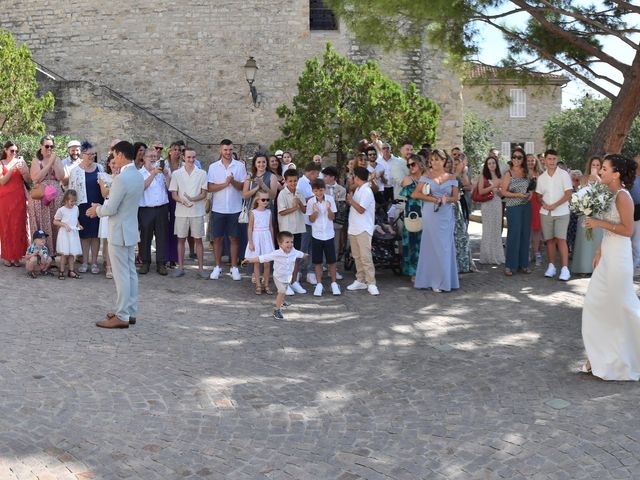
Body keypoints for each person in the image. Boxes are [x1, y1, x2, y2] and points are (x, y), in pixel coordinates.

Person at [581, 154, 640, 380]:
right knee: (597, 304)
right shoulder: (608, 193)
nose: (601, 171)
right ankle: (599, 356)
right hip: (608, 256)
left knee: (623, 307)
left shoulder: (623, 196)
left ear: (616, 174)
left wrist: (598, 222)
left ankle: (617, 358)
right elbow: (610, 230)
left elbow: (627, 231)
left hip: (619, 259)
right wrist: (598, 250)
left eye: (604, 168)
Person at [87, 141, 144, 329]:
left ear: (120, 154)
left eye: (114, 154)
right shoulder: (137, 175)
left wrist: (97, 210)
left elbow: (111, 208)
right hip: (129, 229)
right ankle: (130, 311)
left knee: (121, 275)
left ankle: (122, 315)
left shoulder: (122, 178)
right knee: (130, 272)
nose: (113, 158)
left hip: (119, 230)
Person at [412, 149, 459, 292]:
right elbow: (415, 194)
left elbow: (455, 198)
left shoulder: (451, 177)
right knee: (431, 245)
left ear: (444, 161)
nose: (434, 162)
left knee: (444, 246)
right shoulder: (426, 175)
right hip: (430, 213)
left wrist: (446, 199)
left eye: (437, 159)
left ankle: (445, 280)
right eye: (432, 160)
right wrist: (434, 199)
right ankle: (432, 280)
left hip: (446, 214)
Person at [243, 231, 306, 320]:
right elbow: (263, 258)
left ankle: (282, 302)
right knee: (282, 291)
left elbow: (301, 254)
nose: (290, 244)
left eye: (291, 242)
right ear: (280, 244)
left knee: (284, 289)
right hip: (278, 277)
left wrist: (305, 255)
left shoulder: (294, 252)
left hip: (287, 277)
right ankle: (277, 310)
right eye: (287, 242)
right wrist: (250, 260)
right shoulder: (276, 253)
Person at [207, 139, 247, 281]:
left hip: (235, 209)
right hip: (218, 208)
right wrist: (225, 184)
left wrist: (233, 181)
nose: (228, 152)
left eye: (230, 149)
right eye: (225, 150)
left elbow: (243, 187)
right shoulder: (213, 167)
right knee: (217, 238)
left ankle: (234, 267)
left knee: (234, 238)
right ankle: (217, 267)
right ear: (220, 150)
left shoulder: (240, 166)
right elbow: (210, 187)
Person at [168, 148, 209, 278]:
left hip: (197, 212)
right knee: (181, 240)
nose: (191, 160)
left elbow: (204, 194)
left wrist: (192, 199)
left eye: (193, 157)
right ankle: (180, 267)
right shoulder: (176, 174)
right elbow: (174, 194)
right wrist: (183, 201)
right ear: (183, 158)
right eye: (189, 157)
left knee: (198, 240)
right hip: (181, 212)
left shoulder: (202, 173)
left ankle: (201, 269)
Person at [66, 141, 104, 274]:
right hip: (82, 207)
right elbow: (71, 190)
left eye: (93, 154)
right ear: (82, 154)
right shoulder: (75, 171)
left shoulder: (100, 168)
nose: (91, 156)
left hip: (97, 206)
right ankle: (84, 262)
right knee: (84, 236)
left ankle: (94, 263)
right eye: (89, 154)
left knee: (95, 236)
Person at [536, 149, 573, 281]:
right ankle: (551, 267)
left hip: (562, 212)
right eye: (549, 159)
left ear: (557, 160)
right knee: (550, 240)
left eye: (554, 159)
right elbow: (539, 195)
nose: (552, 161)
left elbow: (568, 194)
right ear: (544, 160)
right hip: (546, 213)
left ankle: (565, 269)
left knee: (561, 240)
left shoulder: (563, 175)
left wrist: (555, 205)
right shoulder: (541, 178)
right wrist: (543, 203)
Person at [29, 135, 65, 255]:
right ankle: (40, 253)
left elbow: (60, 177)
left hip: (55, 198)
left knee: (54, 223)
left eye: (51, 146)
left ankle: (54, 253)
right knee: (42, 223)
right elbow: (35, 178)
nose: (49, 148)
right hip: (40, 197)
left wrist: (54, 162)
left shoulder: (57, 159)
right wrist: (49, 163)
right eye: (47, 146)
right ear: (41, 146)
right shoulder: (36, 160)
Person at [346, 166, 379, 295]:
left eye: (354, 176)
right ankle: (360, 280)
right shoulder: (358, 189)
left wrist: (350, 201)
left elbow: (361, 209)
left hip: (363, 229)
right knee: (357, 257)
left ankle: (371, 283)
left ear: (357, 177)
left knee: (365, 257)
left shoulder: (367, 191)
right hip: (354, 228)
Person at [137, 148, 170, 275]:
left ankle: (161, 263)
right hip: (146, 209)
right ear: (144, 158)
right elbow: (141, 187)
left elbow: (170, 187)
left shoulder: (162, 172)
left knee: (162, 236)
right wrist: (153, 174)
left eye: (155, 156)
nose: (153, 158)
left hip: (161, 208)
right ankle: (145, 262)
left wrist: (166, 175)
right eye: (150, 156)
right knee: (145, 237)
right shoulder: (140, 173)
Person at [501, 147, 532, 276]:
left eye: (519, 157)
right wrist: (517, 195)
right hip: (513, 207)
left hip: (526, 207)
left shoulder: (526, 172)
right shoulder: (508, 173)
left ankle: (523, 265)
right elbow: (503, 191)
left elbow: (531, 187)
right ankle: (510, 265)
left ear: (523, 159)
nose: (516, 159)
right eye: (514, 157)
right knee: (514, 235)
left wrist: (530, 193)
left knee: (525, 235)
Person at [306, 178, 340, 296]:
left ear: (324, 189)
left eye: (320, 190)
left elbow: (332, 217)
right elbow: (311, 219)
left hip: (329, 235)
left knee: (332, 261)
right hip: (317, 235)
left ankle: (334, 283)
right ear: (313, 191)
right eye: (316, 191)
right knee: (317, 261)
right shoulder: (311, 202)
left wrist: (329, 208)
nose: (319, 193)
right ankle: (319, 284)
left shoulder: (330, 199)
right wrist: (315, 212)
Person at [277, 169, 307, 295]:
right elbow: (282, 212)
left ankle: (294, 281)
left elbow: (304, 210)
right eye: (290, 181)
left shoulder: (300, 193)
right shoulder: (282, 194)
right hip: (287, 230)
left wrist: (299, 202)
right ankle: (285, 283)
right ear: (286, 181)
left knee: (295, 257)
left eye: (295, 181)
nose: (293, 183)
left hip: (298, 229)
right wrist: (294, 208)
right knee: (286, 258)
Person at [572, 157, 604, 275]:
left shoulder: (603, 180)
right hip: (585, 212)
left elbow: (605, 194)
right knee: (585, 240)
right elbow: (580, 194)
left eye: (597, 165)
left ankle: (597, 267)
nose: (595, 167)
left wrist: (598, 179)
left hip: (598, 213)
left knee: (597, 239)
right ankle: (583, 267)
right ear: (589, 166)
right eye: (593, 165)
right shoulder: (584, 178)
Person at [0, 141, 30, 266]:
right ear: (5, 150)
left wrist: (24, 172)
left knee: (18, 226)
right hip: (5, 199)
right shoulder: (1, 163)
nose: (14, 153)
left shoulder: (21, 162)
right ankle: (7, 256)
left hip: (19, 199)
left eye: (16, 151)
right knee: (6, 226)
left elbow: (29, 180)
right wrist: (12, 169)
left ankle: (17, 256)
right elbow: (2, 181)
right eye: (12, 150)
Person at [399, 154, 425, 281]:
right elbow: (412, 195)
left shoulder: (427, 177)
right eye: (408, 165)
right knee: (412, 242)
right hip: (412, 212)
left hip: (426, 211)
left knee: (424, 242)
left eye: (413, 164)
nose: (411, 167)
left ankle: (425, 269)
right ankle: (413, 271)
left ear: (420, 164)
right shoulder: (407, 179)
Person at [245, 192, 275, 294]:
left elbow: (270, 227)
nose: (265, 202)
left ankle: (266, 285)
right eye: (263, 200)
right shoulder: (253, 212)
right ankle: (258, 285)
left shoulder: (269, 212)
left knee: (267, 263)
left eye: (267, 200)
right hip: (256, 236)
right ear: (257, 200)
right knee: (256, 262)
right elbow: (250, 228)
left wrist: (272, 241)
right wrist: (251, 242)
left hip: (266, 237)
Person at [478, 156, 505, 265]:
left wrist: (498, 190)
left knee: (496, 229)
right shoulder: (483, 177)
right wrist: (492, 187)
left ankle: (497, 255)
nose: (491, 165)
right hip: (487, 204)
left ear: (496, 164)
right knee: (487, 229)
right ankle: (486, 256)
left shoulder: (501, 177)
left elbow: (502, 194)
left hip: (497, 203)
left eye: (493, 163)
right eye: (489, 163)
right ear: (486, 165)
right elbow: (480, 191)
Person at [297, 162, 321, 285]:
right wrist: (313, 198)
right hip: (305, 220)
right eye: (316, 174)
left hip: (315, 221)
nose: (317, 177)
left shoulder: (312, 183)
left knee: (313, 247)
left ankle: (310, 272)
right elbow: (300, 200)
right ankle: (299, 271)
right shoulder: (301, 183)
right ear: (312, 172)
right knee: (303, 247)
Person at [53, 189, 83, 279]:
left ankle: (71, 271)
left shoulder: (76, 208)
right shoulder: (61, 210)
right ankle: (61, 271)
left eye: (75, 201)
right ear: (66, 200)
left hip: (73, 233)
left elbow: (75, 218)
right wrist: (64, 224)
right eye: (71, 201)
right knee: (64, 254)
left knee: (71, 254)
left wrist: (78, 224)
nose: (73, 203)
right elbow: (55, 221)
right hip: (65, 234)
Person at [98, 155, 117, 279]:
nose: (115, 166)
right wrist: (114, 180)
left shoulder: (125, 176)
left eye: (116, 163)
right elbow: (105, 193)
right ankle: (108, 266)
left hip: (120, 207)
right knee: (108, 239)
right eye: (112, 163)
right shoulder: (103, 177)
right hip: (108, 204)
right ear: (109, 164)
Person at [527, 154, 544, 266]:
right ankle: (527, 252)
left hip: (537, 202)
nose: (530, 163)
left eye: (532, 160)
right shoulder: (522, 173)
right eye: (528, 161)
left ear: (536, 161)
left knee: (537, 229)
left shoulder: (541, 174)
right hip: (526, 202)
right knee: (527, 229)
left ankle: (536, 252)